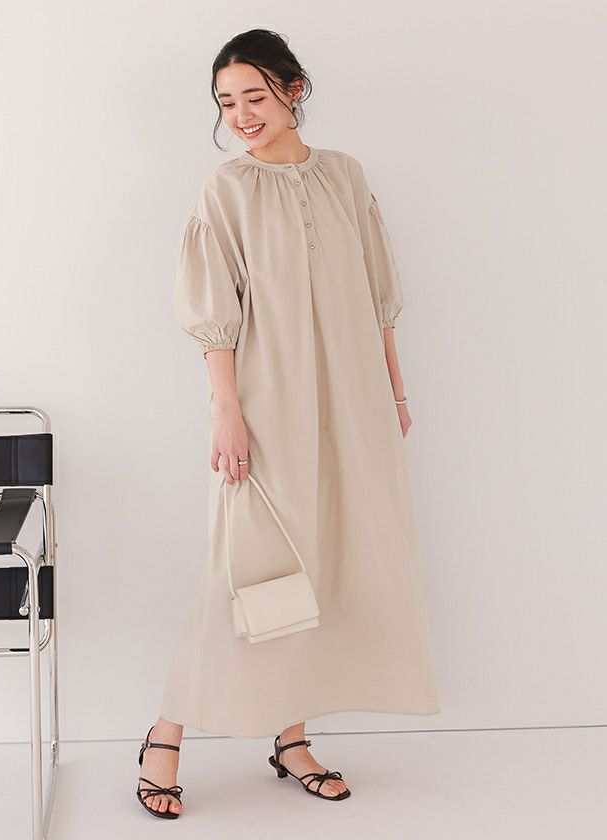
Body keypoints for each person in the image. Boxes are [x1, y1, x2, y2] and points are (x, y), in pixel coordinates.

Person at [136, 28, 441, 820]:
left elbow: (378, 296)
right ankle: (164, 734)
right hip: (266, 405)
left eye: (255, 96)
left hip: (352, 402)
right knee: (242, 572)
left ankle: (292, 739)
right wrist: (227, 415)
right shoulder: (227, 189)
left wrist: (395, 397)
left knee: (324, 564)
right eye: (226, 102)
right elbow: (214, 316)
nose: (241, 114)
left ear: (293, 89)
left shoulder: (344, 175)